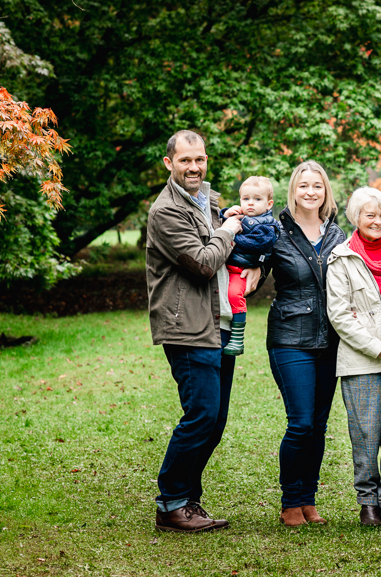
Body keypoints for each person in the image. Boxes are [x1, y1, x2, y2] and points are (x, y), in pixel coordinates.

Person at [146, 130, 260, 533]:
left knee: (215, 420)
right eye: (185, 160)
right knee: (201, 415)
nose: (193, 167)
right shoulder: (166, 211)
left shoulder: (208, 202)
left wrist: (255, 268)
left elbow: (234, 258)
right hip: (187, 326)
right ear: (168, 163)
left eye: (200, 159)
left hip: (221, 323)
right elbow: (204, 261)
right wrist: (229, 229)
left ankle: (189, 501)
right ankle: (171, 503)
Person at [326, 187, 381, 527]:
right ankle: (368, 503)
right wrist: (376, 347)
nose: (377, 221)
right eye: (369, 214)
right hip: (359, 359)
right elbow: (339, 314)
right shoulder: (341, 256)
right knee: (365, 433)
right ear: (355, 218)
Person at [264, 161, 347, 527]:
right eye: (303, 186)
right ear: (293, 190)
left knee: (318, 424)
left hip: (330, 339)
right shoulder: (275, 230)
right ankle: (289, 501)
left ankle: (309, 499)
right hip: (289, 338)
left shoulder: (337, 233)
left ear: (325, 191)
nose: (310, 192)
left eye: (317, 186)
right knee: (299, 423)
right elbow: (249, 262)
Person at [220, 176, 280, 356]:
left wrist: (229, 235)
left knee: (233, 295)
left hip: (241, 270)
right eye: (246, 199)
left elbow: (257, 243)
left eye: (257, 199)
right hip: (227, 267)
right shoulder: (241, 216)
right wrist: (226, 214)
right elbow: (219, 220)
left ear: (269, 204)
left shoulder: (268, 225)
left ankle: (237, 338)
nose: (250, 204)